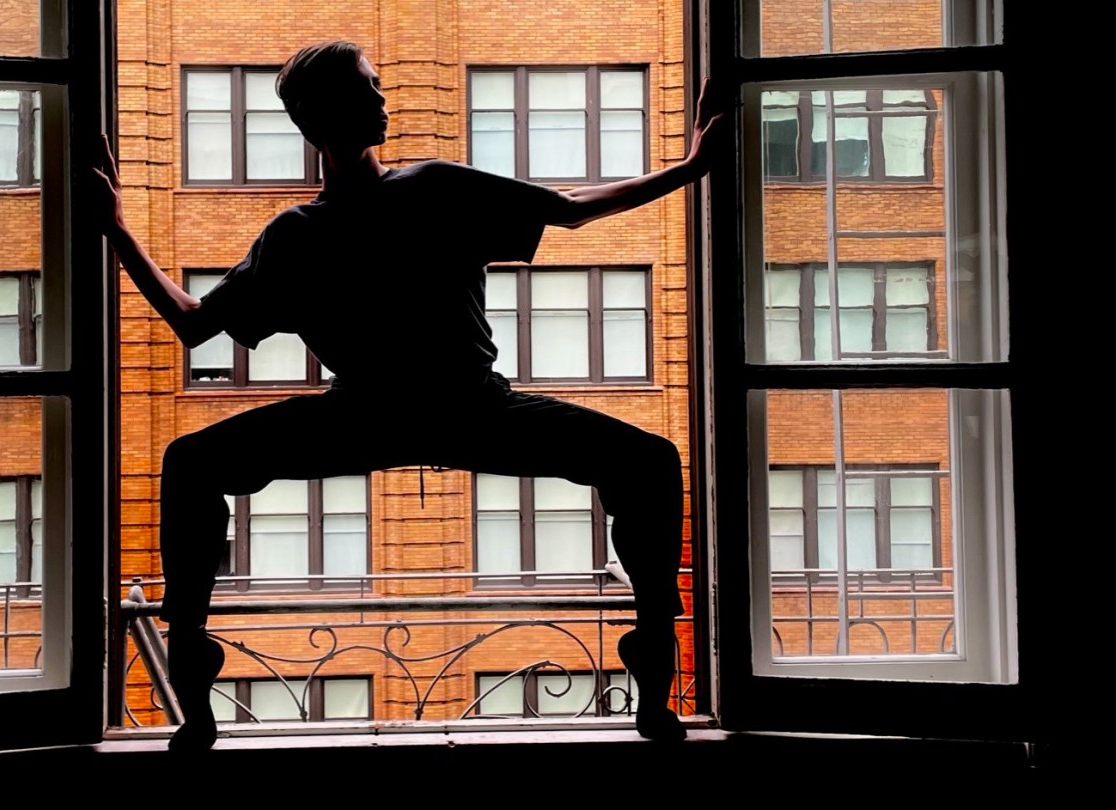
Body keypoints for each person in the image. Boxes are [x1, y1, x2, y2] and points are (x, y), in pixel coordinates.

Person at [91, 40, 724, 751]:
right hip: (442, 411)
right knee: (648, 459)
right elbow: (195, 324)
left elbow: (192, 324)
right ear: (323, 115)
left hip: (403, 413)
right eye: (368, 87)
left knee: (191, 462)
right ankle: (656, 691)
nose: (383, 98)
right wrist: (116, 231)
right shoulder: (360, 214)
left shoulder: (354, 215)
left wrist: (691, 169)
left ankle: (194, 688)